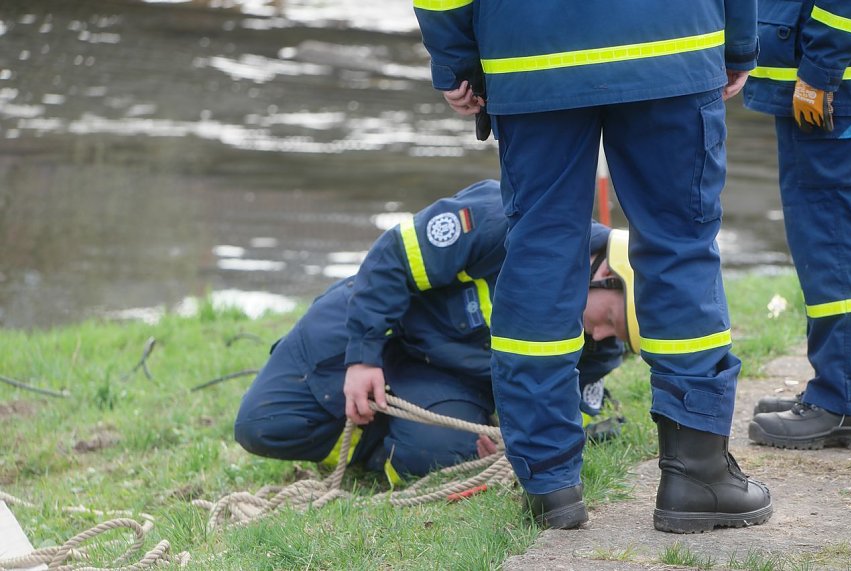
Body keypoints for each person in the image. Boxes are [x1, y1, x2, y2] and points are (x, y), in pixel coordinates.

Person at [412, 0, 772, 533]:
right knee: (679, 247)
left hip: (531, 54)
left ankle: (549, 482)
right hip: (671, 40)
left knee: (540, 251)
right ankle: (696, 473)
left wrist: (457, 59)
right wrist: (739, 39)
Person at [234, 179, 636, 482]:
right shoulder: (507, 221)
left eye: (618, 339)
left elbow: (573, 414)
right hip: (376, 323)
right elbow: (393, 259)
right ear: (604, 273)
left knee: (448, 450)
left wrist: (516, 441)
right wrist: (361, 359)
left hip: (442, 380)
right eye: (610, 322)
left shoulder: (600, 345)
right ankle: (366, 417)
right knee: (263, 426)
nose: (601, 339)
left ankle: (382, 444)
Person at [744, 1, 851, 448]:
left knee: (830, 246)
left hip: (832, 93)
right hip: (828, 89)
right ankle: (838, 386)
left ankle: (841, 399)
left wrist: (820, 71)